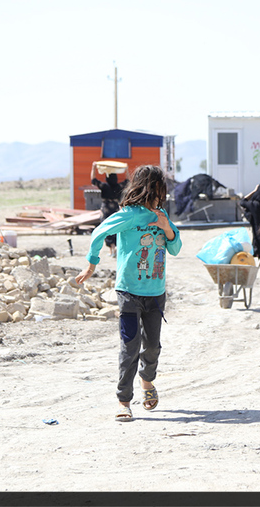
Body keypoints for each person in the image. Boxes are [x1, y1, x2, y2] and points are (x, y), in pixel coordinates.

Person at [75, 165, 182, 422]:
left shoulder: (162, 214)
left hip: (156, 293)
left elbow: (176, 248)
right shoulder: (129, 215)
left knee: (153, 346)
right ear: (150, 187)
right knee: (130, 346)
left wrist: (166, 226)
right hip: (129, 292)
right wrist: (92, 262)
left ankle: (147, 382)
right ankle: (124, 401)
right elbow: (99, 232)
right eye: (159, 187)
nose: (162, 193)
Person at [91, 163, 125, 257]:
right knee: (116, 227)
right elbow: (128, 180)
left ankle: (111, 249)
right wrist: (127, 169)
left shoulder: (104, 186)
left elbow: (93, 180)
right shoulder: (119, 186)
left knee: (107, 227)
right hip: (115, 209)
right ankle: (116, 248)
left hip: (106, 209)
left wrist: (93, 167)